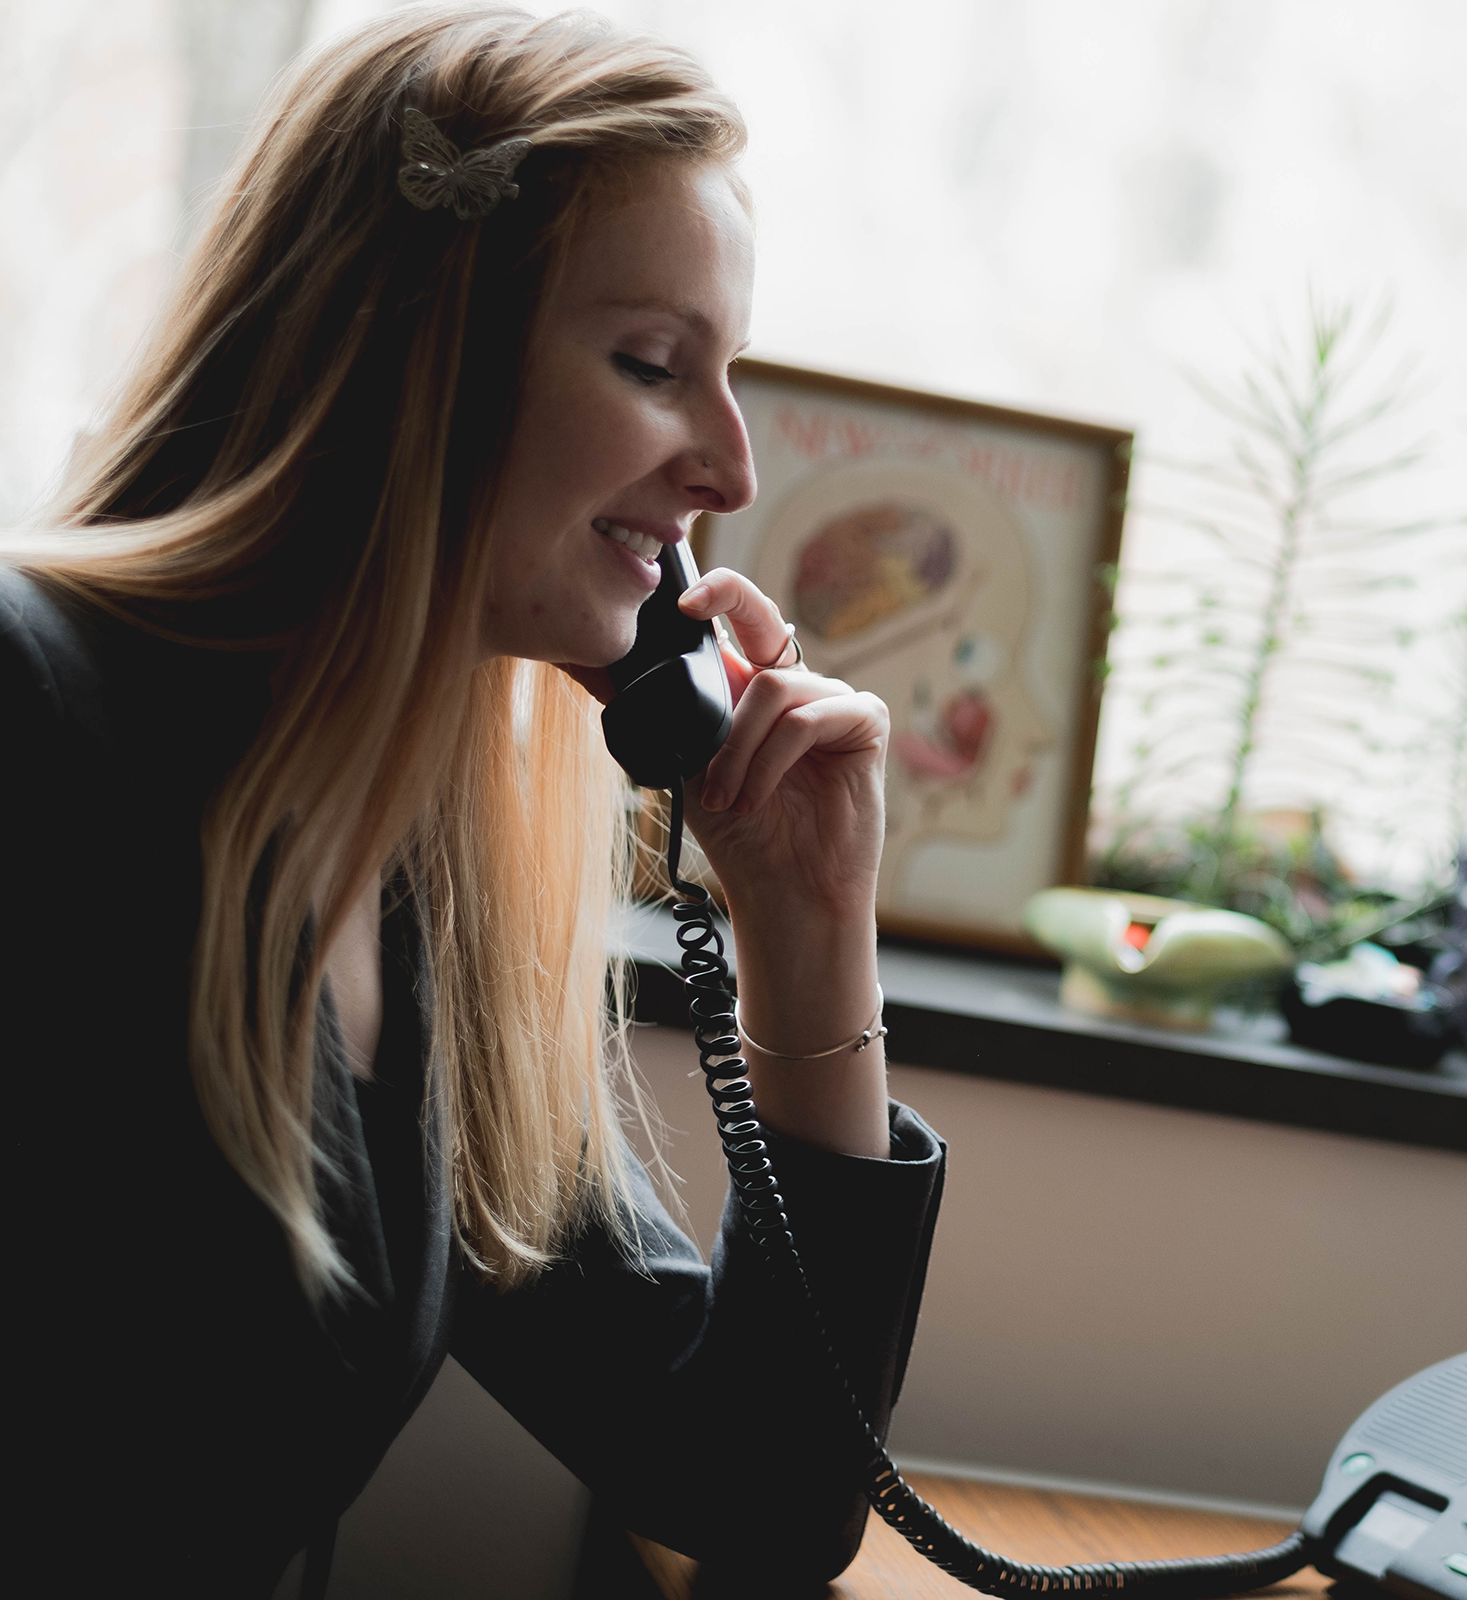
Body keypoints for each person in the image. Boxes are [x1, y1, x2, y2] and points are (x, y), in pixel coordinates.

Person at [0, 7, 942, 1592]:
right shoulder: (35, 717)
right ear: (411, 347)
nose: (731, 472)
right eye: (655, 365)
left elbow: (761, 1485)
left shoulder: (424, 869)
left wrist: (808, 925)